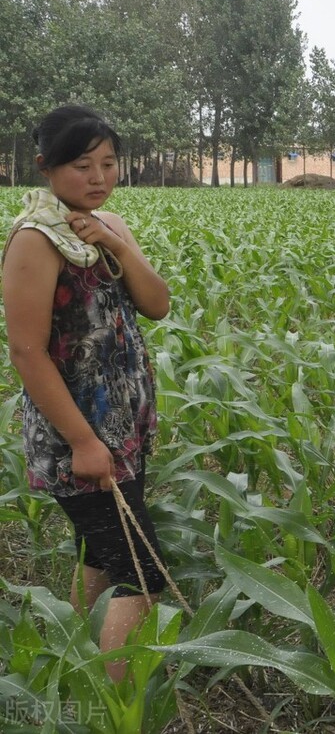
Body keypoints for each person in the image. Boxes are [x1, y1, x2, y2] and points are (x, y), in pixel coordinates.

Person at [2, 105, 171, 682]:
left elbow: (157, 303)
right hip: (77, 436)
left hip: (122, 428)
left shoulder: (111, 226)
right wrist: (82, 442)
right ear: (46, 167)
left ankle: (77, 671)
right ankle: (114, 705)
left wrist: (117, 245)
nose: (98, 178)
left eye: (108, 163)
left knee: (101, 553)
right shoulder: (35, 241)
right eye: (81, 165)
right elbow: (27, 352)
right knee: (141, 574)